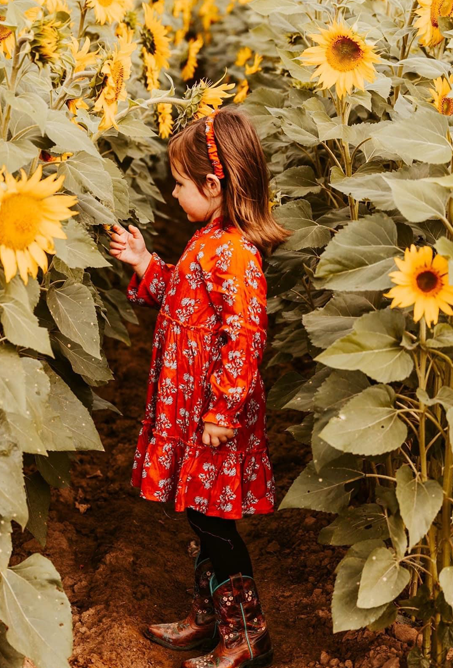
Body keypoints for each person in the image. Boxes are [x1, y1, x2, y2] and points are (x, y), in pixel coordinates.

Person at [108, 106, 291, 668]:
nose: (173, 196)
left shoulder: (235, 253)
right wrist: (145, 262)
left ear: (214, 186)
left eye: (180, 185)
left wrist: (222, 412)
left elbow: (245, 336)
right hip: (190, 414)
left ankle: (246, 635)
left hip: (213, 421)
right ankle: (210, 615)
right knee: (200, 515)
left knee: (215, 522)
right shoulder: (208, 238)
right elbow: (187, 300)